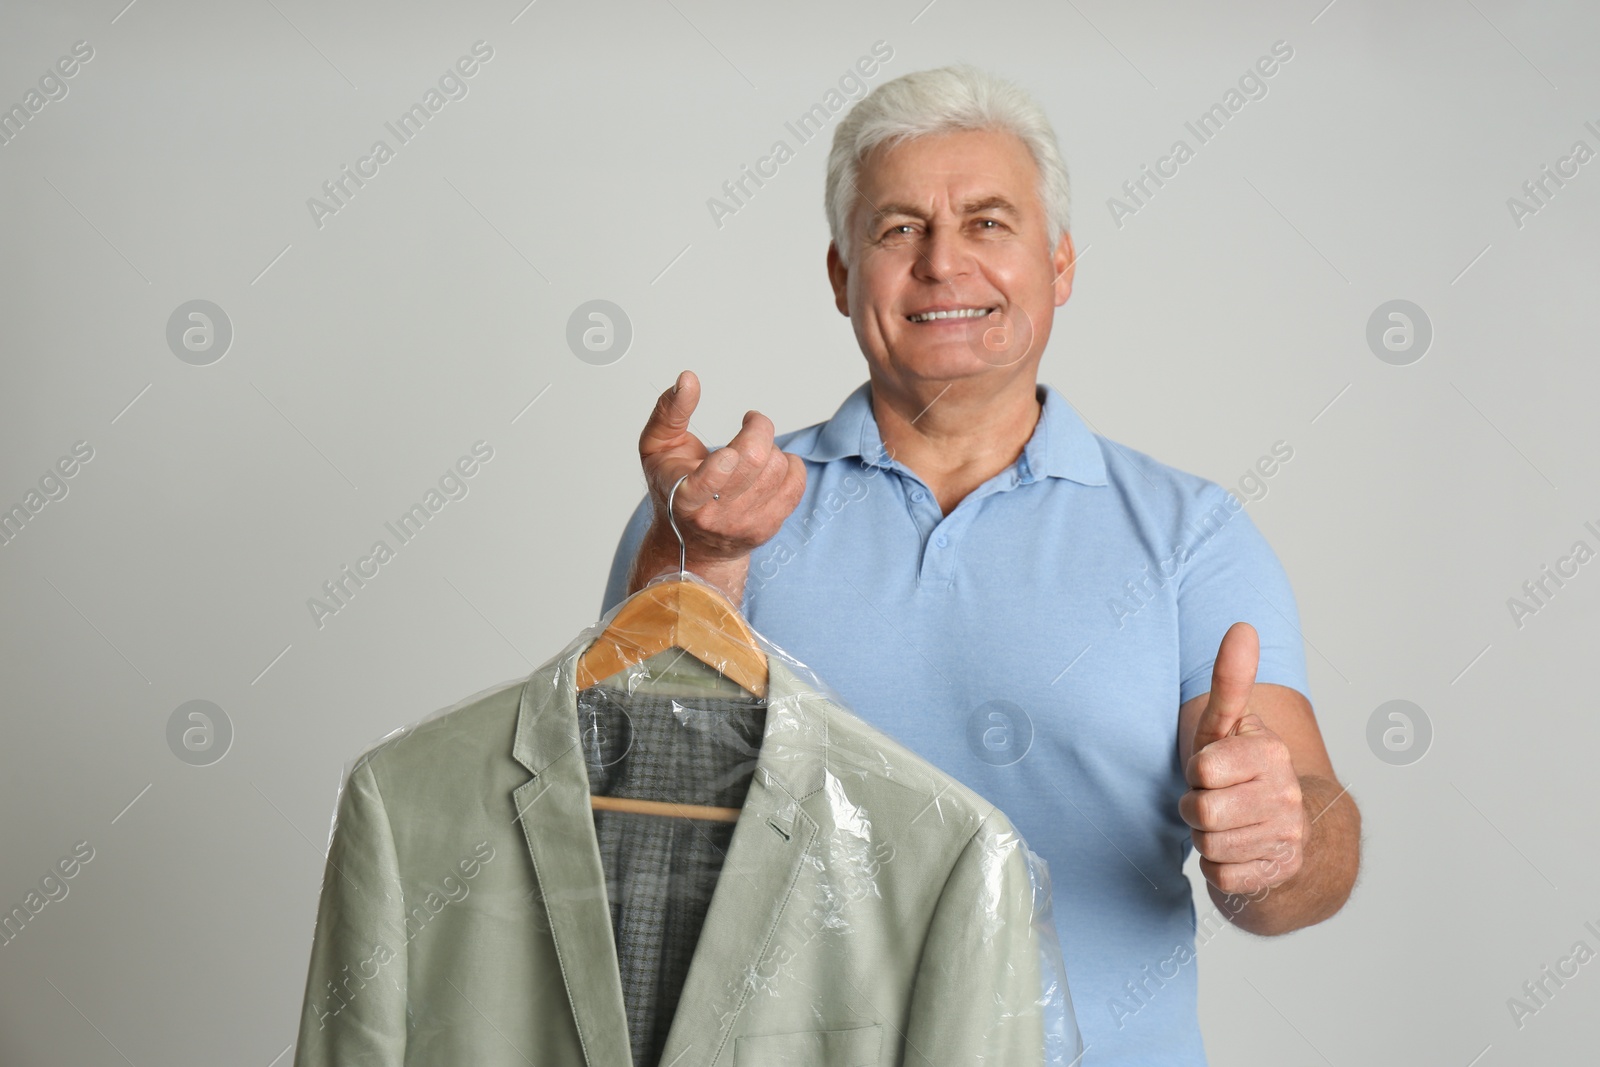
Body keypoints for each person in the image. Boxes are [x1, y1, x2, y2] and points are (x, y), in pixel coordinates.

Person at [602, 64, 1360, 1066]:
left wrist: (1278, 835)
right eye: (898, 228)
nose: (942, 263)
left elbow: (1308, 837)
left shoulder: (1190, 535)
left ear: (1061, 262)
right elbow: (630, 842)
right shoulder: (720, 508)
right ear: (840, 273)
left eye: (989, 224)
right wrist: (698, 562)